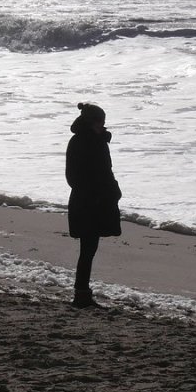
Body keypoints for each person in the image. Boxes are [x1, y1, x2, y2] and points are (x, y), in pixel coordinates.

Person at [65, 102, 122, 308]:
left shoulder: (93, 141)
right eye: (101, 122)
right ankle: (81, 294)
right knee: (88, 249)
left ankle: (82, 292)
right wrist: (98, 194)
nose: (103, 126)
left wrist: (112, 190)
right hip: (88, 202)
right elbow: (75, 177)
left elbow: (104, 172)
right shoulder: (82, 142)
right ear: (92, 122)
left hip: (93, 200)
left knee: (89, 249)